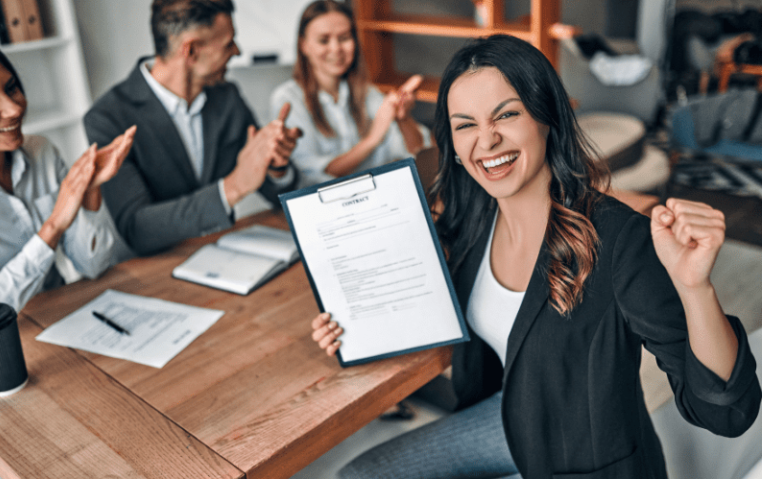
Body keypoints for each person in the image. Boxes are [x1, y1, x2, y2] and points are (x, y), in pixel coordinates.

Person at [311, 35, 762, 479]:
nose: (485, 140)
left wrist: (694, 288)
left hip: (585, 455)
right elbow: (421, 295)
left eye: (506, 115)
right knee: (359, 474)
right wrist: (350, 322)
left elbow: (727, 414)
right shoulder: (473, 216)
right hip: (511, 421)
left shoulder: (620, 240)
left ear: (546, 116)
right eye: (465, 124)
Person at [84, 0, 302, 257]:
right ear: (191, 51)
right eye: (228, 43)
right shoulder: (108, 117)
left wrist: (276, 165)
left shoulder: (227, 97)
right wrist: (231, 188)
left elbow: (277, 194)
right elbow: (136, 228)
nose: (237, 51)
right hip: (155, 272)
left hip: (228, 256)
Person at [0, 46, 136, 312]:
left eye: (11, 88)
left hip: (63, 313)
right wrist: (54, 225)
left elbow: (94, 266)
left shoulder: (42, 152)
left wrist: (90, 190)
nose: (13, 109)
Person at [270, 0, 432, 187]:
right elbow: (317, 174)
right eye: (324, 40)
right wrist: (372, 138)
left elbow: (417, 152)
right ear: (304, 45)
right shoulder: (287, 99)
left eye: (344, 38)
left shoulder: (368, 93)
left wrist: (404, 120)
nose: (336, 49)